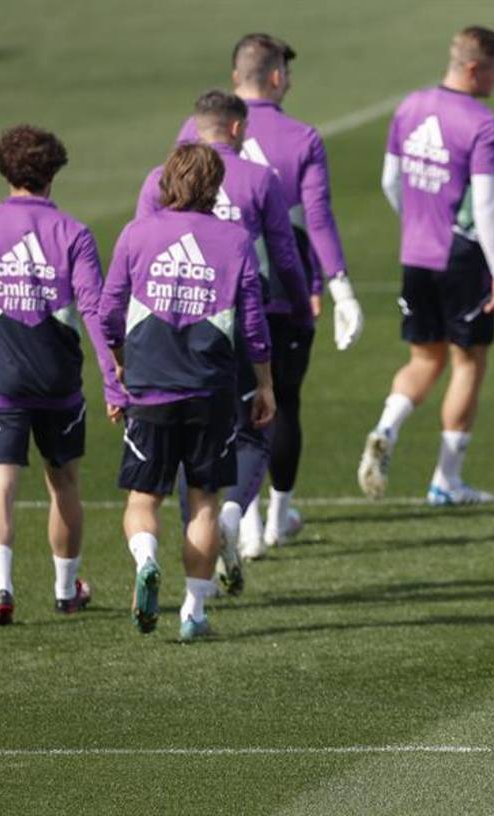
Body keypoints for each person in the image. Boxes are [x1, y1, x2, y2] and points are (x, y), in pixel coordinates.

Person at [177, 33, 363, 550]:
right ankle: (275, 516)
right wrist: (335, 287)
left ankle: (242, 516)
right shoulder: (302, 138)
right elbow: (317, 220)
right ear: (277, 76)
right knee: (280, 402)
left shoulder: (190, 133)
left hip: (200, 298)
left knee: (224, 407)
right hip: (278, 295)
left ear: (237, 75)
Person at [0, 124, 123, 626]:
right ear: (53, 173)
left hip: (0, 376)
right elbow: (94, 310)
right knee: (63, 481)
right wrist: (114, 377)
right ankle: (67, 591)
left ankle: (1, 587)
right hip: (59, 380)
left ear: (5, 170)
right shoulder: (74, 233)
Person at [100, 144, 274, 642]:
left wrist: (119, 363)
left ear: (165, 184)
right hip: (210, 390)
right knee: (203, 501)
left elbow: (110, 311)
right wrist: (263, 382)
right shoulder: (236, 240)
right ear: (215, 188)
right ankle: (194, 613)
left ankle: (147, 559)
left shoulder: (136, 233)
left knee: (143, 498)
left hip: (150, 385)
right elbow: (254, 322)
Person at [149, 89, 312, 576]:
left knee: (186, 443)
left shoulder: (156, 182)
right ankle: (234, 516)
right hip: (241, 322)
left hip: (169, 324)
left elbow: (139, 254)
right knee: (252, 432)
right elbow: (285, 254)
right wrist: (302, 309)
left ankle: (201, 560)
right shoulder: (261, 180)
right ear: (238, 128)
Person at [357, 25, 494, 505]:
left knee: (424, 358)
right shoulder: (483, 122)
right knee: (468, 363)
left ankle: (387, 427)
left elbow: (389, 180)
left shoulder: (409, 105)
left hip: (415, 252)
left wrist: (417, 221)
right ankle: (447, 480)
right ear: (473, 68)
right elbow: (485, 202)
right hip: (462, 256)